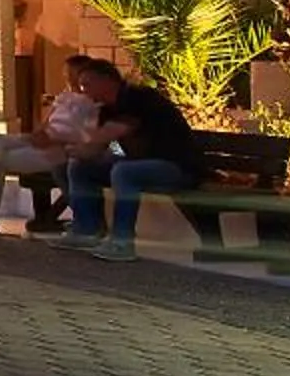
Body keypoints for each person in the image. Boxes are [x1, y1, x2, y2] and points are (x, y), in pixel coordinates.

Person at [58, 55, 204, 262]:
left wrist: (78, 145)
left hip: (176, 167)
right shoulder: (107, 109)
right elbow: (102, 149)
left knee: (123, 172)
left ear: (106, 81)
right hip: (140, 163)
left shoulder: (138, 98)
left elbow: (107, 135)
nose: (84, 92)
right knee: (80, 167)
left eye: (86, 85)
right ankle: (86, 230)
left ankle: (122, 241)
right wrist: (69, 151)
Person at [0, 54, 97, 234]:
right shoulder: (65, 96)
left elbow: (86, 135)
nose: (66, 76)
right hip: (43, 140)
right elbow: (48, 123)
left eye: (70, 72)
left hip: (58, 150)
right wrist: (37, 135)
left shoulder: (91, 102)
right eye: (66, 72)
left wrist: (55, 140)